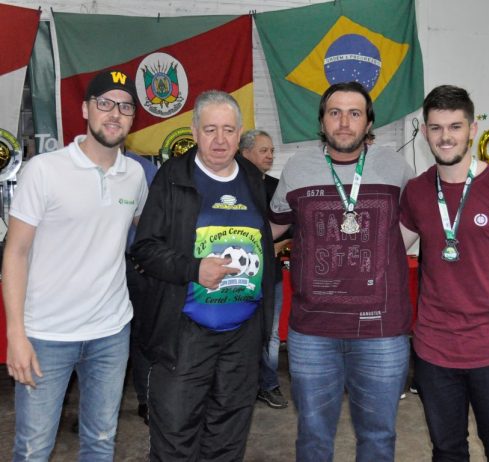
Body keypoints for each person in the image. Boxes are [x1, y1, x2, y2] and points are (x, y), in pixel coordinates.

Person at [3, 69, 148, 461]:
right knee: (33, 448)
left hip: (111, 332)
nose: (115, 113)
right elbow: (15, 253)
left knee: (100, 441)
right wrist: (16, 334)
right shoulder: (44, 170)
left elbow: (149, 231)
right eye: (105, 103)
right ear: (86, 109)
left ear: (133, 118)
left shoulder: (134, 175)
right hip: (46, 335)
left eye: (125, 107)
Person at [269, 81, 414, 461]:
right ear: (322, 122)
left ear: (369, 123)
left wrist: (387, 252)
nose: (344, 122)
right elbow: (272, 228)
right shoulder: (297, 168)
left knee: (378, 436)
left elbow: (419, 221)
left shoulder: (396, 167)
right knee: (313, 436)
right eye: (335, 113)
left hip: (381, 331)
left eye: (354, 113)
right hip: (313, 332)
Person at [130, 90, 275, 461]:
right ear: (194, 132)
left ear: (239, 133)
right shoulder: (172, 177)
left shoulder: (253, 178)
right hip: (185, 335)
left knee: (228, 437)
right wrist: (194, 269)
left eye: (228, 130)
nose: (220, 139)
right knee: (175, 435)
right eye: (210, 130)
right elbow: (145, 248)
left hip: (242, 336)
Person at [400, 85, 489, 461]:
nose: (446, 137)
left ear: (472, 129)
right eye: (436, 127)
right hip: (434, 349)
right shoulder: (417, 191)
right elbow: (391, 248)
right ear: (425, 132)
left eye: (455, 126)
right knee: (447, 451)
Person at [240, 129, 291, 409]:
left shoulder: (276, 187)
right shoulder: (230, 186)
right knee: (241, 332)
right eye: (264, 150)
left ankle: (269, 385)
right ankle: (241, 387)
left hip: (270, 275)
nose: (270, 155)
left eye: (272, 150)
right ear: (245, 152)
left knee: (270, 333)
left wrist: (280, 244)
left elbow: (292, 227)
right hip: (237, 276)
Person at [124, 150, 157, 425]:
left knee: (143, 334)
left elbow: (154, 221)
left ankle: (147, 399)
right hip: (96, 269)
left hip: (135, 265)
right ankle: (93, 407)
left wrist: (151, 258)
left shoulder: (142, 169)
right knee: (94, 337)